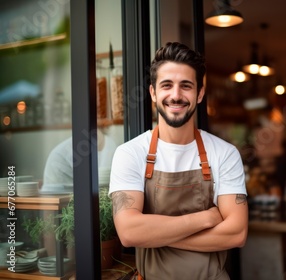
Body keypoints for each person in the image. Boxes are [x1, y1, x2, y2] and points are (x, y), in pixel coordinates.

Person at [108, 42, 248, 280]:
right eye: (166, 85)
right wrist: (205, 218)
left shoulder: (225, 153)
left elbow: (236, 234)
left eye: (186, 86)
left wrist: (157, 235)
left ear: (200, 93)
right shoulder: (130, 153)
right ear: (153, 92)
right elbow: (129, 233)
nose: (176, 95)